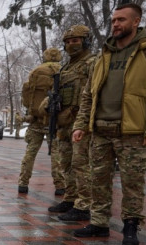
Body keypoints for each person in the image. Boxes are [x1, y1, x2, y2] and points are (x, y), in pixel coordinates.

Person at [72, 3, 146, 245]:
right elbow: (89, 93)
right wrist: (81, 124)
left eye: (121, 20)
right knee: (97, 179)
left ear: (136, 21)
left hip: (131, 131)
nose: (116, 24)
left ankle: (131, 226)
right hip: (100, 130)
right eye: (114, 20)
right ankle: (99, 223)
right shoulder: (105, 54)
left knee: (132, 182)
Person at [47, 26, 96, 219]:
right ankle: (71, 197)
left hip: (80, 123)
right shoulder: (66, 67)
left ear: (85, 41)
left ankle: (84, 205)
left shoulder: (91, 63)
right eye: (67, 42)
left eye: (75, 40)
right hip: (64, 121)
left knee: (81, 163)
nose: (70, 45)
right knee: (65, 163)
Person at [18, 47, 65, 195]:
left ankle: (23, 184)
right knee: (57, 155)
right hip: (55, 121)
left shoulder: (35, 72)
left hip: (36, 121)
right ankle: (60, 186)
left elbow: (27, 97)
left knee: (30, 154)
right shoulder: (64, 71)